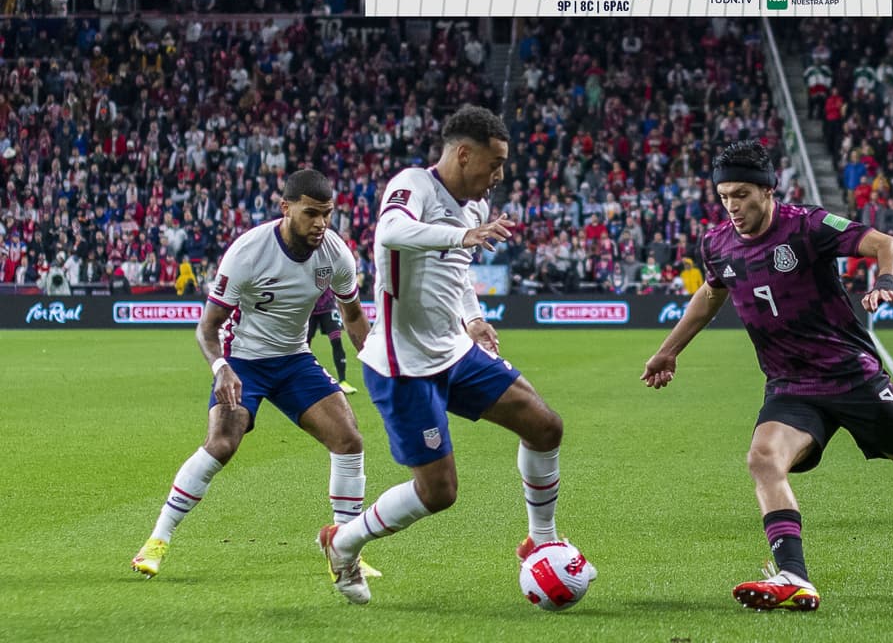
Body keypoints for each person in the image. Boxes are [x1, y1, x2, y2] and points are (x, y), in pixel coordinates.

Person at [642, 141, 893, 612]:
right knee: (763, 459)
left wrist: (885, 282)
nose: (732, 205)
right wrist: (668, 351)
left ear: (768, 191)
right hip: (791, 385)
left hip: (852, 377)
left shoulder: (806, 225)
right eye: (725, 195)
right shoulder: (717, 244)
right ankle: (794, 574)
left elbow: (887, 245)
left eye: (742, 194)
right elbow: (711, 294)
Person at [317, 105, 589, 605]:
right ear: (464, 154)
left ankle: (542, 539)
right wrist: (462, 234)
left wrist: (473, 318)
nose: (500, 175)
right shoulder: (414, 185)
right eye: (496, 162)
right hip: (404, 365)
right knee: (439, 492)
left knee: (545, 425)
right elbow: (391, 233)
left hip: (456, 350)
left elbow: (457, 273)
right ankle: (343, 541)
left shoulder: (476, 208)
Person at [131, 170, 376, 578]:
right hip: (242, 359)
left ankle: (344, 550)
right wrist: (221, 367)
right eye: (311, 213)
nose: (320, 224)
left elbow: (353, 316)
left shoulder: (336, 254)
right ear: (286, 208)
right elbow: (207, 327)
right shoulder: (248, 253)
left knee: (348, 440)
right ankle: (156, 541)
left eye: (327, 215)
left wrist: (376, 367)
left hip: (294, 360)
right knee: (223, 443)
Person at [308, 288, 358, 394]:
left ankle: (343, 381)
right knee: (303, 344)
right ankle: (302, 380)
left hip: (328, 306)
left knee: (336, 341)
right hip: (308, 307)